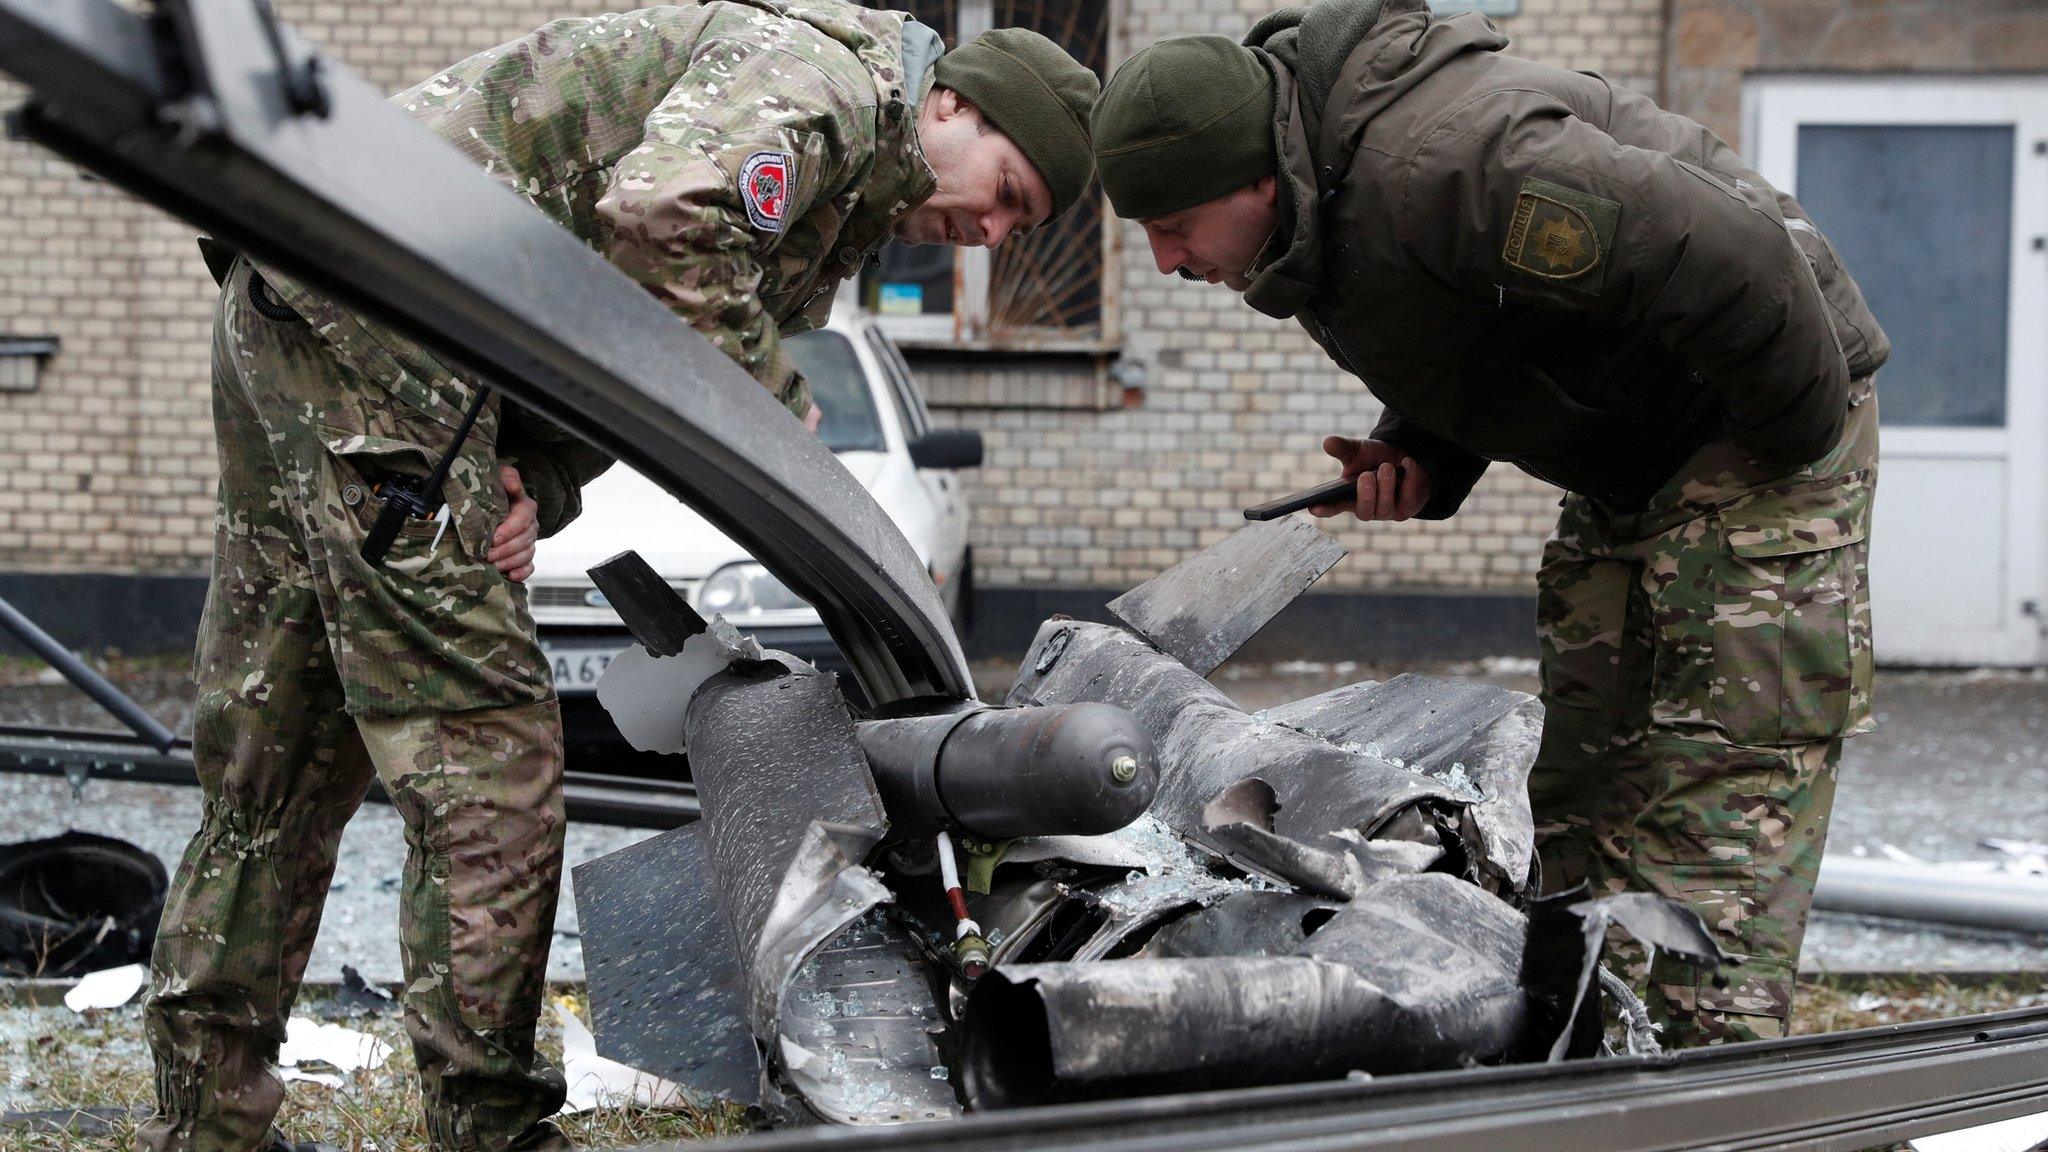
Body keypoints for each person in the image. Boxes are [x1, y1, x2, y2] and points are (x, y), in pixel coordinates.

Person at [139, 3, 1100, 1149]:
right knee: (490, 757)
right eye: (1005, 189)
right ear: (954, 104)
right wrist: (767, 393)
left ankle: (206, 1121)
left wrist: (536, 479)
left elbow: (626, 347)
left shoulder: (835, 204)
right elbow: (659, 217)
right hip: (385, 323)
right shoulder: (830, 86)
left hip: (315, 297)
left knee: (282, 744)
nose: (992, 231)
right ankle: (490, 1126)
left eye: (1018, 225)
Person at [1089, 0, 1885, 1046]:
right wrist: (1422, 451)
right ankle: (1594, 1056)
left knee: (1717, 787)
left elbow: (1735, 256)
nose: (1163, 263)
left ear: (1254, 179)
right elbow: (1487, 328)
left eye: (1173, 229)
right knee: (1583, 792)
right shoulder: (1316, 209)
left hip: (1755, 417)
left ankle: (1708, 1080)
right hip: (1632, 466)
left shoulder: (1453, 165)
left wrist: (1778, 469)